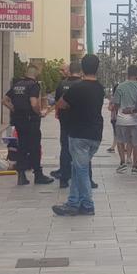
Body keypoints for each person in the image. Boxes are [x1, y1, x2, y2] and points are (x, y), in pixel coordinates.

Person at [52, 55, 106, 216]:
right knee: (77, 168)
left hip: (79, 133)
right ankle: (73, 202)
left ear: (82, 68)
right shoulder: (100, 88)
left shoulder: (77, 88)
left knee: (81, 169)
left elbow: (61, 104)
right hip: (95, 134)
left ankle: (88, 205)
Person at [3, 65, 54, 186]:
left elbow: (4, 100)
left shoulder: (17, 85)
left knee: (22, 146)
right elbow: (34, 103)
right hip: (31, 120)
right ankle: (38, 174)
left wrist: (14, 109)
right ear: (35, 74)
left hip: (19, 120)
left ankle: (21, 175)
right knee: (35, 147)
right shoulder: (34, 85)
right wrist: (38, 112)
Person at [51, 62, 97, 189]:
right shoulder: (84, 85)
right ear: (81, 71)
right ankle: (89, 179)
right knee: (84, 151)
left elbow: (57, 102)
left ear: (70, 71)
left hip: (65, 122)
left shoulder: (62, 84)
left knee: (65, 148)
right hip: (81, 123)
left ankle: (64, 179)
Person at [112, 66, 137, 173]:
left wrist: (116, 114)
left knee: (120, 141)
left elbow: (116, 103)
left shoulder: (120, 86)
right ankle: (134, 166)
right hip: (136, 119)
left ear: (127, 74)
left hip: (122, 119)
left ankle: (122, 162)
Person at [107, 82, 119, 153]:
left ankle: (114, 146)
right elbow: (109, 108)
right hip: (115, 118)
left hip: (118, 117)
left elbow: (109, 108)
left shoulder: (114, 98)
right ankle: (113, 146)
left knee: (118, 133)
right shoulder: (113, 98)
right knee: (116, 133)